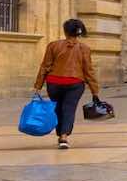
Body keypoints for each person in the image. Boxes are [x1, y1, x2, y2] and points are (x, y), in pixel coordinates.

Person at [32, 18, 101, 150]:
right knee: (69, 109)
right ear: (79, 32)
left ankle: (60, 134)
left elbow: (45, 66)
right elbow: (88, 71)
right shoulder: (84, 49)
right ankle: (64, 137)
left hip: (54, 83)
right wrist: (95, 91)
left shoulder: (53, 45)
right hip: (75, 83)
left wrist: (38, 86)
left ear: (65, 31)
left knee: (58, 108)